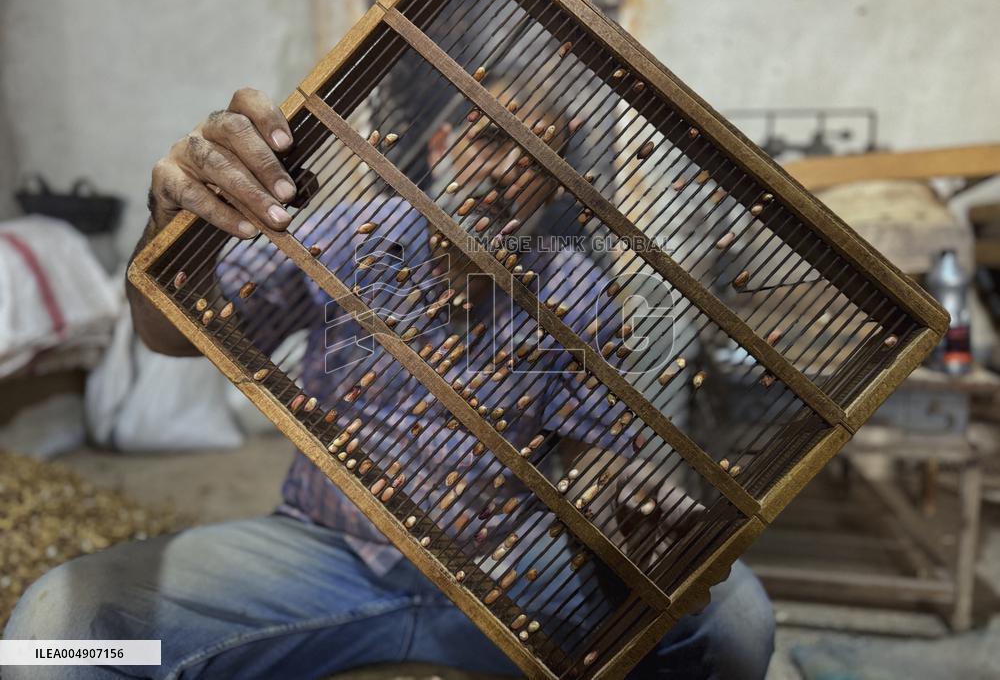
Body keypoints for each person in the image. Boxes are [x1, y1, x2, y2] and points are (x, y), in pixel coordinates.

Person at [4, 86, 775, 679]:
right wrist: (172, 230)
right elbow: (170, 333)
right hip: (322, 557)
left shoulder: (574, 286)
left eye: (537, 160)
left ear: (554, 186)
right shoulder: (349, 234)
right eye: (488, 139)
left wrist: (629, 500)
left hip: (513, 567)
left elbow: (588, 457)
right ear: (441, 144)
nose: (507, 172)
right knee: (51, 642)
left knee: (732, 621)